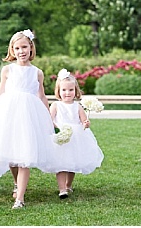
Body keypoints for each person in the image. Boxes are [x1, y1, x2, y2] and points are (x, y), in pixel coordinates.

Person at [0, 29, 55, 209]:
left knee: (25, 154)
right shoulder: (8, 70)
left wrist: (49, 116)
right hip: (9, 113)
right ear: (12, 50)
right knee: (12, 155)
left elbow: (42, 95)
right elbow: (0, 93)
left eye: (24, 47)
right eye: (17, 48)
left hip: (29, 114)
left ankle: (19, 198)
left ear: (31, 48)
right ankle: (16, 183)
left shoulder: (37, 72)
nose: (21, 51)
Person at [39, 69, 104, 199]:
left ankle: (68, 185)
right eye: (64, 90)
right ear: (58, 91)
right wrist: (56, 128)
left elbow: (84, 120)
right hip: (61, 137)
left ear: (76, 91)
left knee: (72, 162)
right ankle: (62, 189)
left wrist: (86, 123)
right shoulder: (56, 105)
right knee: (61, 163)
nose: (67, 93)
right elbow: (49, 120)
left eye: (70, 90)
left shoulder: (77, 106)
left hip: (75, 137)